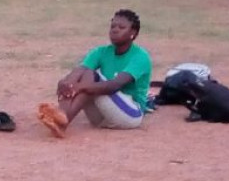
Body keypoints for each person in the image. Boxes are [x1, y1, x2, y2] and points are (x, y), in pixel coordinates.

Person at [39, 9, 151, 138]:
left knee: (91, 78)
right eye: (113, 26)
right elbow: (79, 72)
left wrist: (79, 87)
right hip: (100, 118)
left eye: (121, 27)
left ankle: (63, 119)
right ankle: (61, 117)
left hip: (129, 116)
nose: (115, 30)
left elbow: (114, 85)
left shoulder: (140, 56)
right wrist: (65, 83)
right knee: (81, 76)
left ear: (133, 33)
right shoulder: (100, 51)